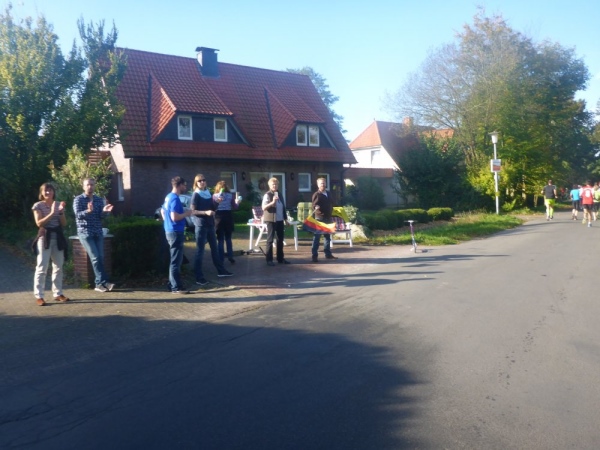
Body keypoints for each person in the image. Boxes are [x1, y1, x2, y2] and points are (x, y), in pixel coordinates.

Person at [73, 178, 115, 292]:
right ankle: (101, 283)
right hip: (85, 233)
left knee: (101, 257)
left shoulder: (98, 200)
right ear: (83, 187)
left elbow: (101, 216)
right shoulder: (78, 199)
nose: (90, 187)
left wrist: (106, 211)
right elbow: (78, 215)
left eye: (92, 185)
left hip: (97, 232)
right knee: (95, 257)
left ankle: (101, 283)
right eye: (87, 185)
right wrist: (88, 211)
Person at [190, 174, 233, 285]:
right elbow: (193, 211)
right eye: (199, 181)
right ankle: (198, 277)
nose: (202, 182)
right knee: (200, 251)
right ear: (196, 183)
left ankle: (221, 271)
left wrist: (217, 202)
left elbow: (212, 208)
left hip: (210, 224)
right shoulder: (196, 194)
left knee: (214, 249)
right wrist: (205, 212)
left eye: (203, 180)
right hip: (201, 225)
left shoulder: (208, 193)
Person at [31, 183, 69, 306]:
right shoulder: (38, 205)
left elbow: (63, 223)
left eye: (50, 190)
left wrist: (61, 212)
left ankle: (58, 293)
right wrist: (52, 212)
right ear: (41, 193)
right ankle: (39, 296)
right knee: (42, 267)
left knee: (58, 267)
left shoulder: (58, 204)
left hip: (57, 237)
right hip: (44, 237)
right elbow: (39, 223)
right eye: (45, 191)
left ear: (53, 192)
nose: (48, 192)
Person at [161, 176, 193, 294]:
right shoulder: (175, 198)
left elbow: (162, 211)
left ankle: (172, 284)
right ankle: (176, 287)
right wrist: (186, 214)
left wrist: (167, 223)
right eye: (184, 185)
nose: (185, 187)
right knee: (176, 261)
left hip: (169, 230)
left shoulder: (168, 197)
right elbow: (174, 217)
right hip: (175, 232)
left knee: (174, 259)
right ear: (179, 185)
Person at [262, 177, 289, 266]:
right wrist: (272, 202)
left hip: (280, 220)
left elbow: (283, 208)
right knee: (270, 240)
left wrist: (286, 219)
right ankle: (269, 259)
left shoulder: (280, 195)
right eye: (273, 184)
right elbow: (263, 207)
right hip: (271, 220)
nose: (275, 186)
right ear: (269, 185)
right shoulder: (267, 195)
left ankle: (280, 258)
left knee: (280, 239)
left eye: (276, 184)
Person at [213, 180, 241, 265]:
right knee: (228, 238)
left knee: (220, 239)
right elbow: (235, 207)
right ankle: (230, 256)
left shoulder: (214, 196)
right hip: (228, 217)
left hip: (219, 218)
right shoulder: (230, 195)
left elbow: (213, 207)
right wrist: (238, 202)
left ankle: (221, 258)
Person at [311, 177, 338, 263]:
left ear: (326, 184)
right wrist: (316, 207)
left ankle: (328, 254)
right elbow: (313, 205)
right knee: (317, 238)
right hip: (319, 218)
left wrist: (332, 209)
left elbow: (332, 202)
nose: (323, 185)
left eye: (324, 183)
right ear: (318, 185)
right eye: (321, 183)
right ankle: (314, 256)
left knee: (327, 237)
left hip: (328, 217)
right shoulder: (317, 194)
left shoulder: (328, 193)